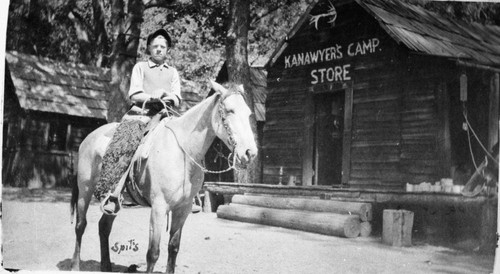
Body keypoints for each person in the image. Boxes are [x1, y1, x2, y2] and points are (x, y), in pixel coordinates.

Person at [98, 29, 201, 214]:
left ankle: (191, 195)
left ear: (168, 50)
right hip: (142, 113)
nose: (159, 49)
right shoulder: (140, 67)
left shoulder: (173, 72)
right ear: (149, 49)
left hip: (166, 115)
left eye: (163, 47)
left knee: (190, 142)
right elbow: (134, 94)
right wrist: (152, 97)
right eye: (155, 46)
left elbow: (177, 98)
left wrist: (165, 95)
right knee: (126, 143)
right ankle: (114, 193)